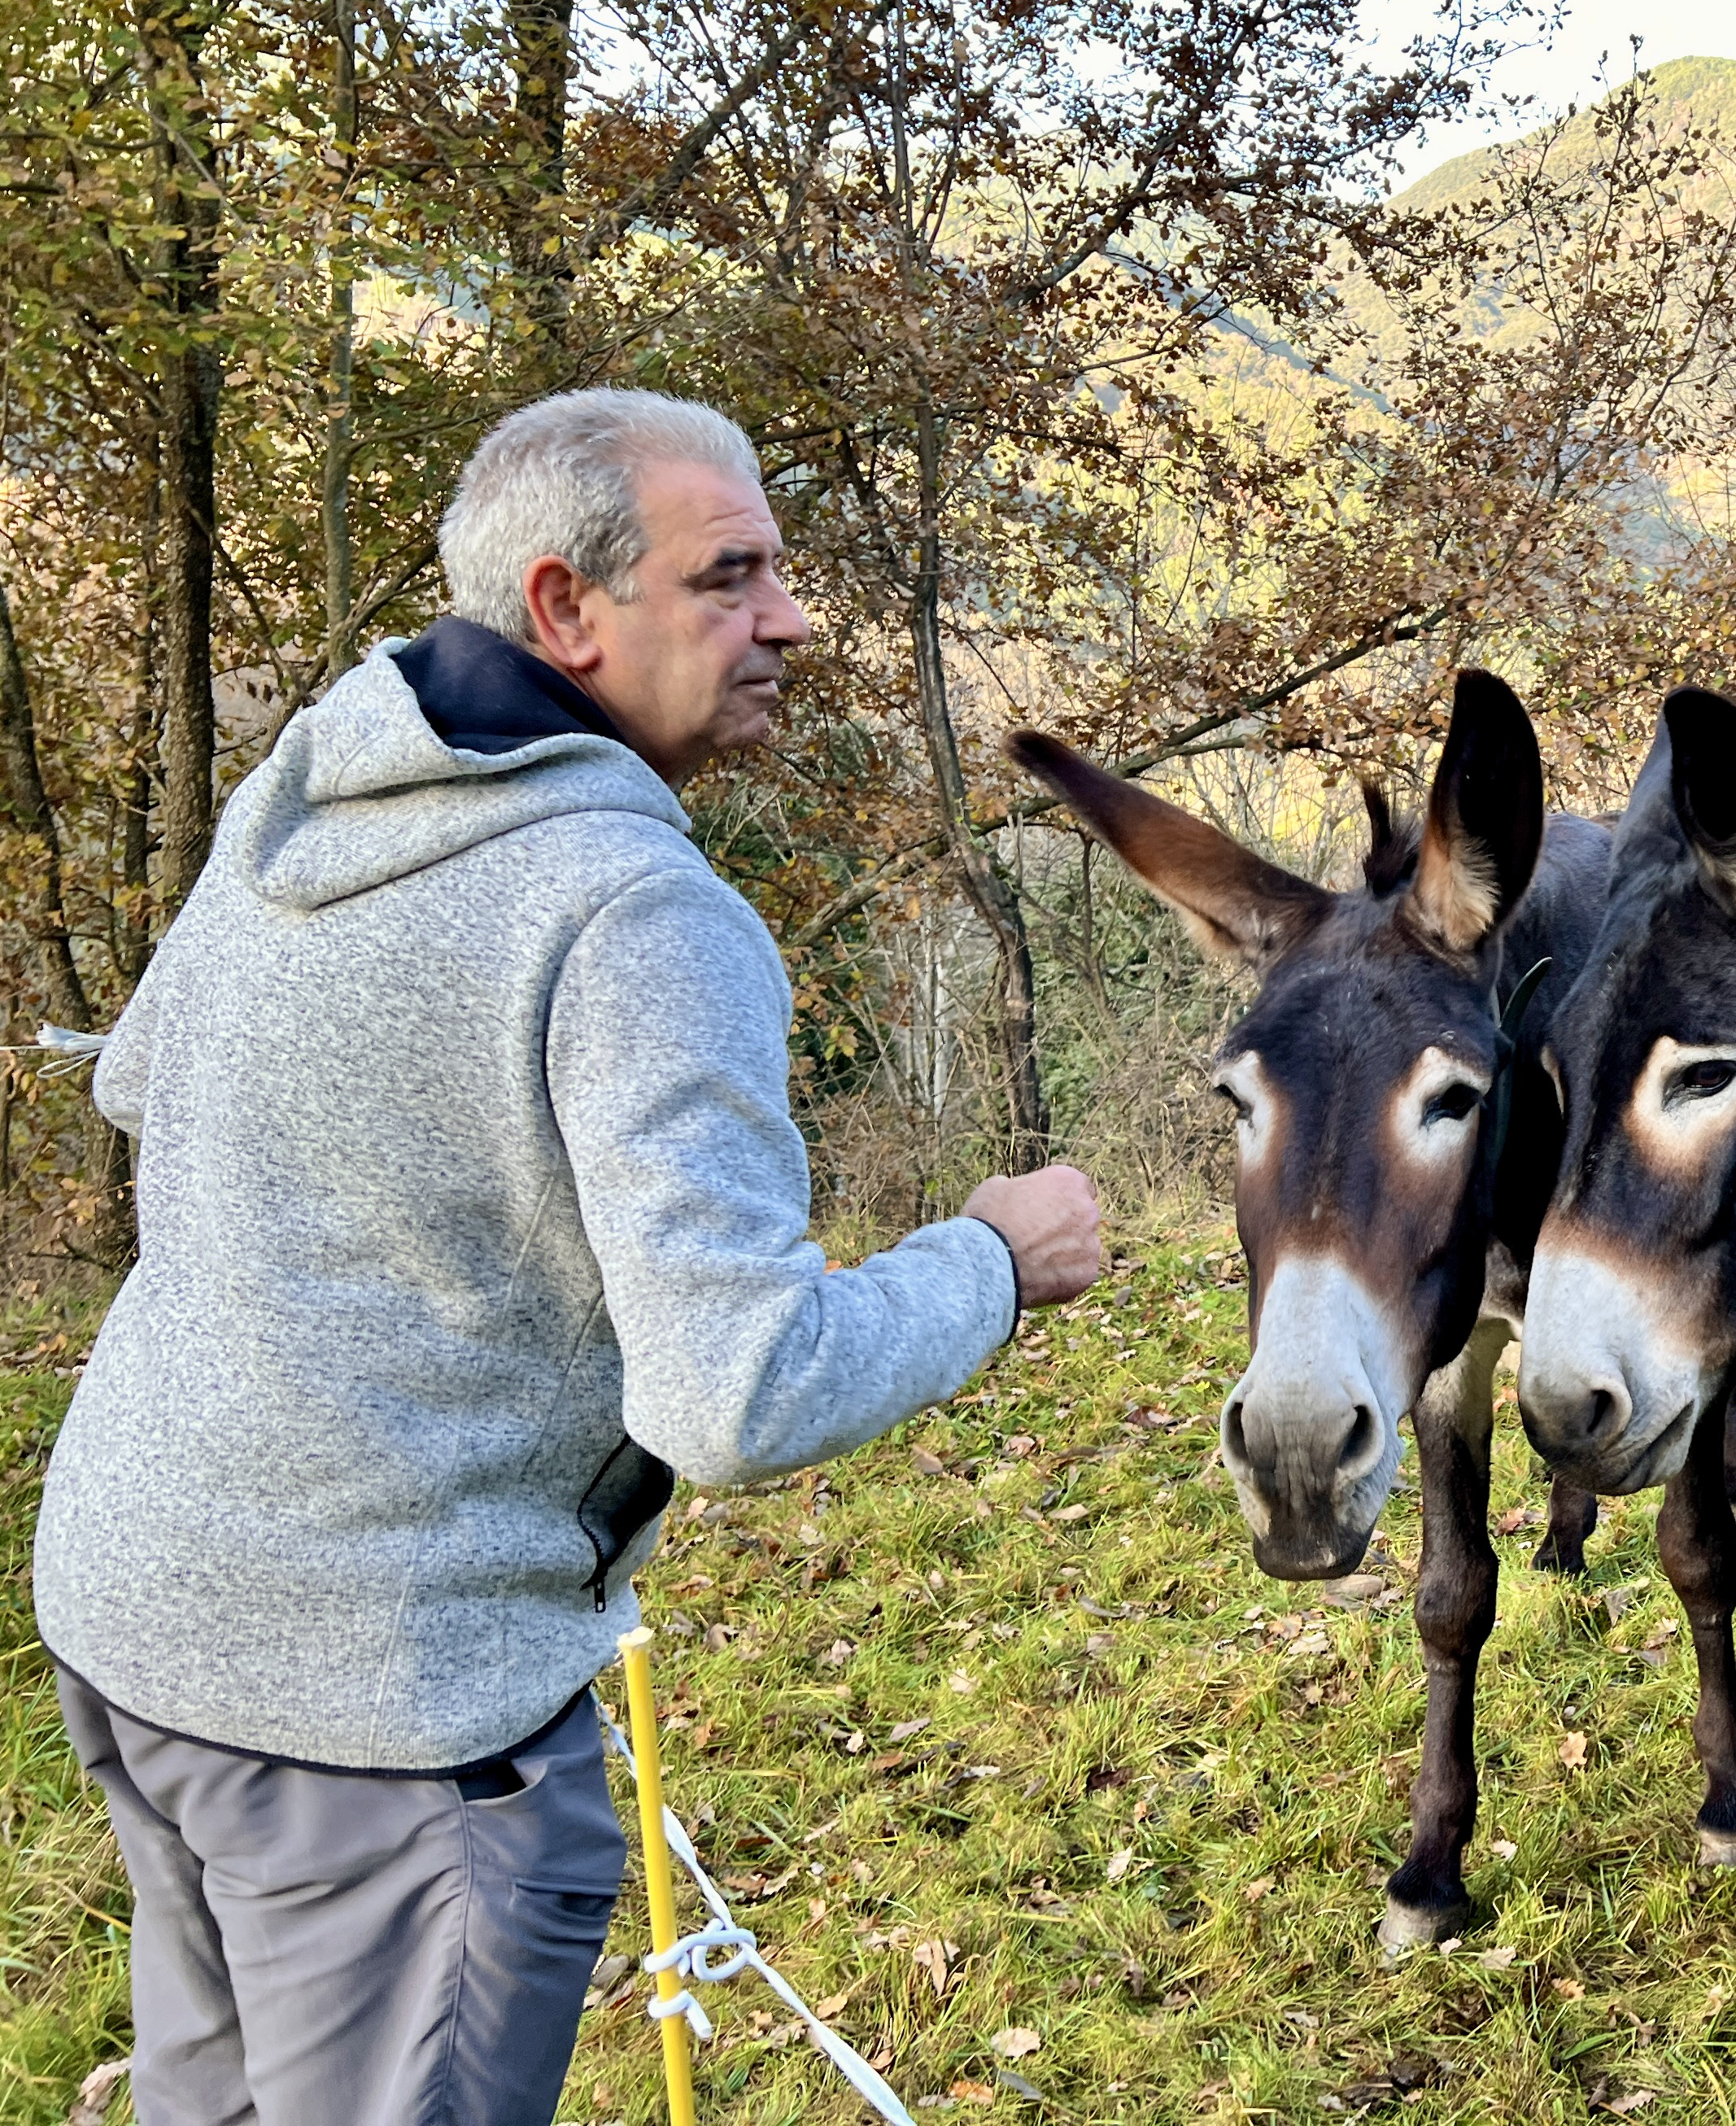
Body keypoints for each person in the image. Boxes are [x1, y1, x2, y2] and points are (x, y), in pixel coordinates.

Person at [31, 388, 1104, 2125]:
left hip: (137, 1607)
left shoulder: (314, 786)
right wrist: (990, 1257)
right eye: (731, 575)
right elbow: (738, 1392)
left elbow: (147, 1080)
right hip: (381, 1714)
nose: (793, 617)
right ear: (562, 609)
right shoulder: (635, 912)